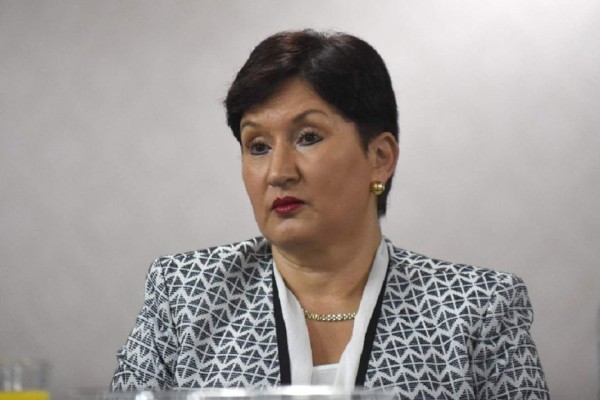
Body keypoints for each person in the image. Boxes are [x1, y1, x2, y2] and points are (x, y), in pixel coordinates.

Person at [111, 29, 549, 399]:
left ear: (379, 157)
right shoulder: (185, 294)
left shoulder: (477, 308)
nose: (278, 172)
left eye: (308, 137)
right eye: (257, 146)